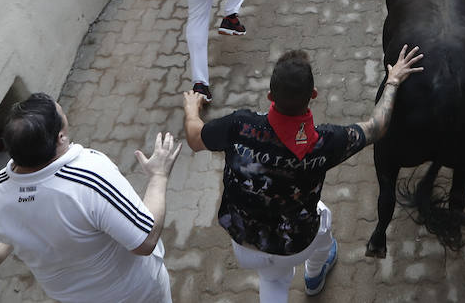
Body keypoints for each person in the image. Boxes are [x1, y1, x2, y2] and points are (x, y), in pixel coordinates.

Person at [181, 44, 425, 301]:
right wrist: (393, 81)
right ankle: (314, 275)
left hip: (245, 242)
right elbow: (378, 127)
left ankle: (282, 280)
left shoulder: (239, 126)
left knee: (272, 280)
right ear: (314, 94)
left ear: (269, 96)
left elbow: (195, 138)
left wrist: (190, 109)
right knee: (324, 224)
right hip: (295, 244)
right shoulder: (326, 142)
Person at [0, 94, 182, 302]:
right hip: (134, 294)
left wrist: (17, 232)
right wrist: (158, 176)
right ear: (61, 137)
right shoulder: (91, 175)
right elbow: (145, 240)